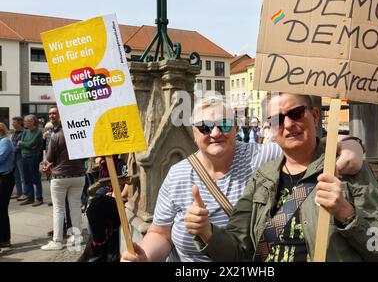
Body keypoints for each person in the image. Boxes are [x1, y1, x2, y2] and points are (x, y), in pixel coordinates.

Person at [121, 94, 364, 262]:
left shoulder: (262, 155)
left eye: (224, 125)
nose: (215, 133)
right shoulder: (178, 174)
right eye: (205, 127)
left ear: (237, 128)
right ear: (194, 133)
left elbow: (307, 144)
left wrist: (352, 145)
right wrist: (145, 256)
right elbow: (161, 233)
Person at [184, 93, 378, 262]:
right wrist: (207, 232)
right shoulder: (263, 177)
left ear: (314, 116)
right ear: (269, 128)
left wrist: (346, 213)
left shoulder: (348, 171)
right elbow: (238, 251)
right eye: (278, 120)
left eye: (296, 113)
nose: (288, 124)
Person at [41, 106, 85, 251]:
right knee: (75, 207)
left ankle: (57, 241)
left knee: (58, 209)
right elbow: (85, 156)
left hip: (60, 176)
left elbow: (50, 158)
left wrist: (48, 165)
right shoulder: (80, 134)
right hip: (78, 175)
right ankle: (76, 238)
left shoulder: (56, 136)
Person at [18, 114, 44, 206]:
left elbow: (31, 144)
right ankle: (30, 198)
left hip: (33, 157)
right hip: (24, 156)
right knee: (26, 178)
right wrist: (25, 144)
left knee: (35, 178)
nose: (24, 123)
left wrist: (24, 144)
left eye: (26, 121)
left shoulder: (38, 132)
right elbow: (22, 144)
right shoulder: (25, 131)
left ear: (32, 122)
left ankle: (39, 198)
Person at [0, 122, 15, 249]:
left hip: (5, 178)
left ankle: (5, 239)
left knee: (2, 209)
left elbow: (1, 158)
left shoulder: (5, 141)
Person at [10, 117, 25, 200]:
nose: (12, 124)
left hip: (20, 156)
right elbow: (13, 143)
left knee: (23, 176)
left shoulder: (24, 132)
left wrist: (12, 151)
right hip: (14, 156)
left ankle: (24, 194)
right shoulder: (14, 132)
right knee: (16, 176)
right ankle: (19, 193)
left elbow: (20, 145)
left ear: (19, 123)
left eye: (14, 122)